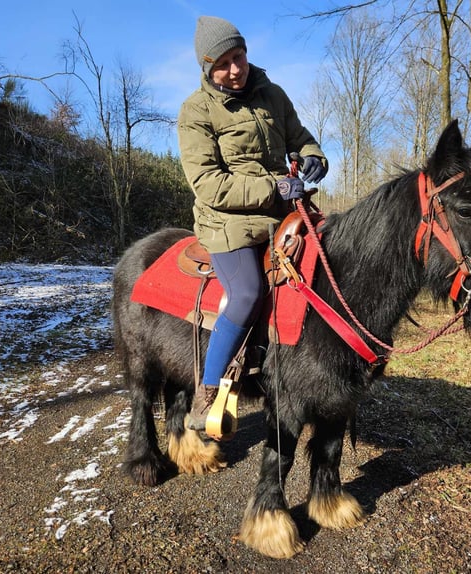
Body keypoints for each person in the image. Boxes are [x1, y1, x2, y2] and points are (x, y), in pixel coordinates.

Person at [178, 15, 328, 431]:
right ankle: (205, 395)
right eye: (224, 63)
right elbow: (209, 184)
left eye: (239, 56)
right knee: (246, 293)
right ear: (208, 69)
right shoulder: (195, 111)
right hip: (227, 222)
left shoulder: (272, 94)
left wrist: (314, 154)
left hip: (284, 212)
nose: (236, 68)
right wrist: (273, 187)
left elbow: (300, 136)